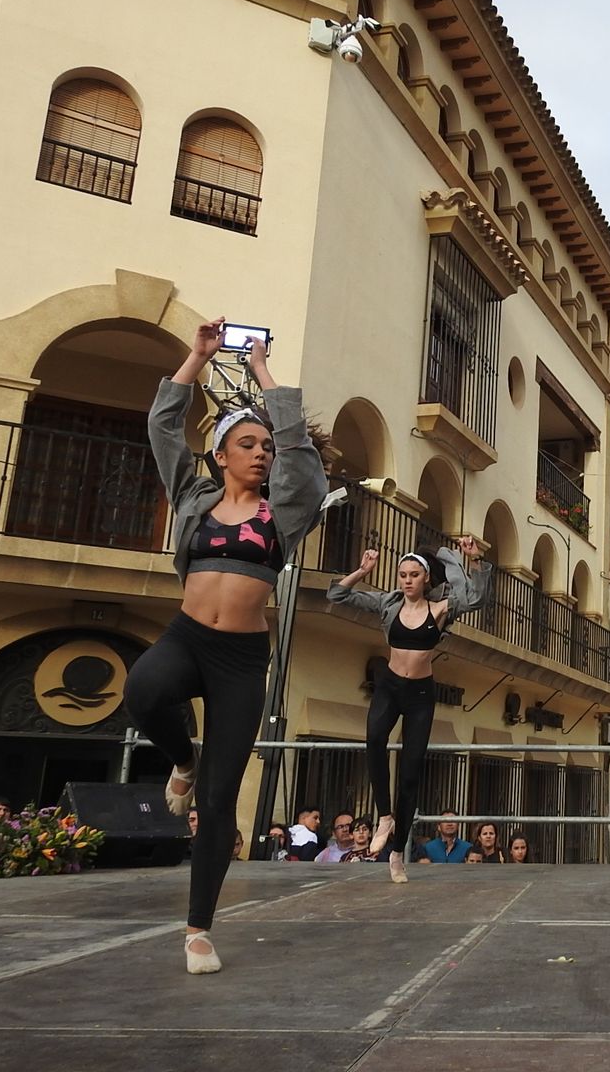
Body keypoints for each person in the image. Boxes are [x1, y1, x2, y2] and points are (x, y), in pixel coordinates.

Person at [122, 320, 328, 974]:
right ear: (219, 455)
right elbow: (161, 427)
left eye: (265, 445)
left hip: (241, 661)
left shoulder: (284, 512)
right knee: (143, 692)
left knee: (217, 803)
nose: (262, 453)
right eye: (247, 444)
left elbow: (304, 460)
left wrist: (265, 374)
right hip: (188, 638)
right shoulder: (193, 494)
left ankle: (198, 930)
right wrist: (198, 356)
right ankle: (181, 758)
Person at [328, 536, 490, 884]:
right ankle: (384, 817)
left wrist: (474, 561)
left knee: (411, 773)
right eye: (402, 574)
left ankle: (398, 851)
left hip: (420, 693)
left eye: (414, 574)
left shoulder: (442, 608)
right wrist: (361, 570)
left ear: (426, 578)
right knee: (373, 739)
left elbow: (476, 598)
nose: (407, 580)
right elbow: (337, 595)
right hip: (389, 687)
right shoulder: (388, 603)